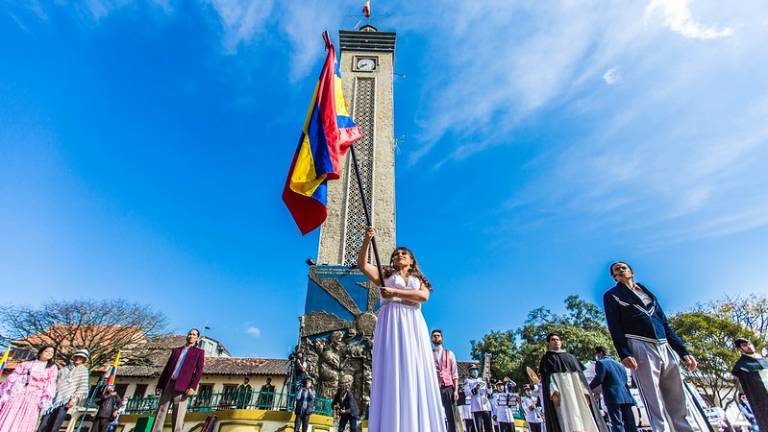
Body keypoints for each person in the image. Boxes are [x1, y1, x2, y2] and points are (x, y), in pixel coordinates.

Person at [359, 226, 447, 432]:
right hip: (391, 320)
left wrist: (395, 292)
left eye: (403, 254)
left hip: (413, 322)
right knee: (393, 367)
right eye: (396, 254)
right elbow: (363, 265)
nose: (399, 255)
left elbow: (423, 297)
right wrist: (366, 240)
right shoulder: (384, 274)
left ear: (411, 260)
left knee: (415, 367)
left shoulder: (420, 279)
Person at [603, 261, 707, 432]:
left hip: (664, 345)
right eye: (616, 270)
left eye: (623, 267)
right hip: (639, 344)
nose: (620, 270)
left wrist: (683, 351)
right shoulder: (612, 295)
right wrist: (624, 353)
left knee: (678, 397)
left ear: (631, 272)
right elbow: (614, 327)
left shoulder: (647, 293)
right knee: (654, 400)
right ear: (614, 277)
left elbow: (665, 324)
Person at [539, 333, 608, 432]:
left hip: (577, 394)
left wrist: (586, 392)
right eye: (553, 339)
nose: (556, 341)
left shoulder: (570, 357)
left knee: (583, 416)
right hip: (562, 396)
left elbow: (580, 378)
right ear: (549, 343)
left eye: (558, 339)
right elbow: (549, 379)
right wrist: (553, 392)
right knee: (566, 418)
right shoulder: (547, 359)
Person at [152, 328, 205, 432]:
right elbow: (167, 368)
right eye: (190, 333)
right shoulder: (176, 350)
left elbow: (198, 372)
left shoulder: (199, 352)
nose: (191, 336)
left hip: (183, 387)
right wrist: (159, 385)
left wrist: (192, 387)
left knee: (178, 416)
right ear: (187, 335)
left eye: (194, 334)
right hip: (168, 385)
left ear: (197, 338)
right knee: (160, 412)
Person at [0, 345, 58, 432]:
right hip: (19, 392)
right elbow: (13, 376)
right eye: (47, 351)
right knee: (11, 412)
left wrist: (45, 398)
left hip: (35, 396)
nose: (49, 353)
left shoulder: (52, 368)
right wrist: (22, 379)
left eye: (52, 352)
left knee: (27, 417)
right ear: (40, 352)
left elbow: (51, 383)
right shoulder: (25, 364)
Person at [38, 348, 91, 432]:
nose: (78, 359)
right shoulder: (64, 369)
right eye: (77, 357)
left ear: (84, 360)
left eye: (81, 358)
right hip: (52, 399)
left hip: (65, 401)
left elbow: (82, 387)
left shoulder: (84, 371)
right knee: (44, 422)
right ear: (74, 357)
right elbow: (54, 381)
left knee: (55, 424)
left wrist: (73, 400)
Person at [589, 346, 637, 432]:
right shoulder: (620, 364)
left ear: (600, 353)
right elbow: (625, 380)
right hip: (626, 396)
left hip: (613, 396)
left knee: (617, 423)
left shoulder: (601, 363)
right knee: (630, 424)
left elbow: (599, 378)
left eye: (596, 354)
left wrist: (588, 388)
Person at [732, 338, 767, 431]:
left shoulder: (762, 359)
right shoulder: (741, 365)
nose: (749, 346)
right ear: (740, 349)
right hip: (763, 401)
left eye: (749, 344)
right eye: (744, 345)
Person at [432, 329, 460, 432]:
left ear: (442, 338)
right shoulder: (429, 354)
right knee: (436, 413)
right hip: (435, 388)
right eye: (434, 336)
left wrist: (456, 390)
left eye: (438, 335)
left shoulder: (450, 353)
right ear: (431, 339)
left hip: (449, 388)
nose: (436, 337)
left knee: (451, 415)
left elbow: (455, 374)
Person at [464, 364, 493, 432]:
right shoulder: (467, 381)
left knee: (489, 429)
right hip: (476, 408)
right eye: (473, 370)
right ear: (469, 372)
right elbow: (467, 393)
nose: (475, 371)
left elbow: (489, 392)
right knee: (479, 429)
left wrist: (488, 384)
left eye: (476, 370)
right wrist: (475, 389)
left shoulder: (482, 380)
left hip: (486, 407)